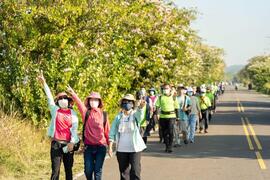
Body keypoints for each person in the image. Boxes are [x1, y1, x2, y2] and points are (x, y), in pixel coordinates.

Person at [37, 72, 79, 180]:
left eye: (65, 98)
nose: (63, 100)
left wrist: (72, 142)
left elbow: (74, 130)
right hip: (56, 144)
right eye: (60, 98)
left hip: (68, 145)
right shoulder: (55, 110)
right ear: (58, 101)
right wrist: (44, 83)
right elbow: (49, 97)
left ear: (69, 101)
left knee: (68, 170)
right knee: (55, 171)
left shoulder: (73, 113)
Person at [67, 86, 110, 180]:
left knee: (98, 171)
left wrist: (110, 147)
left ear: (99, 102)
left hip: (101, 147)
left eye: (95, 100)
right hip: (89, 147)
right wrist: (73, 93)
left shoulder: (104, 114)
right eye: (91, 100)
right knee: (88, 170)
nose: (93, 101)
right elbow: (79, 103)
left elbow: (107, 132)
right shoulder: (86, 112)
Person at [108, 94, 146, 180]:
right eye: (125, 102)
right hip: (121, 149)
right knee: (124, 173)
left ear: (133, 104)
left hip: (135, 148)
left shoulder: (135, 115)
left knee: (135, 171)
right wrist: (110, 147)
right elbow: (112, 132)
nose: (127, 103)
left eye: (129, 102)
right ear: (122, 104)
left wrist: (141, 107)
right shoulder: (118, 117)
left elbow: (140, 116)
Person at [155, 84, 179, 153]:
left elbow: (176, 108)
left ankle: (170, 146)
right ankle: (167, 146)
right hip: (163, 116)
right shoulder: (160, 97)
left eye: (167, 88)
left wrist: (178, 117)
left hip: (171, 116)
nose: (165, 90)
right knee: (164, 132)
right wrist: (157, 114)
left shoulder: (173, 97)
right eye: (164, 88)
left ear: (170, 89)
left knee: (170, 131)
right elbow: (157, 106)